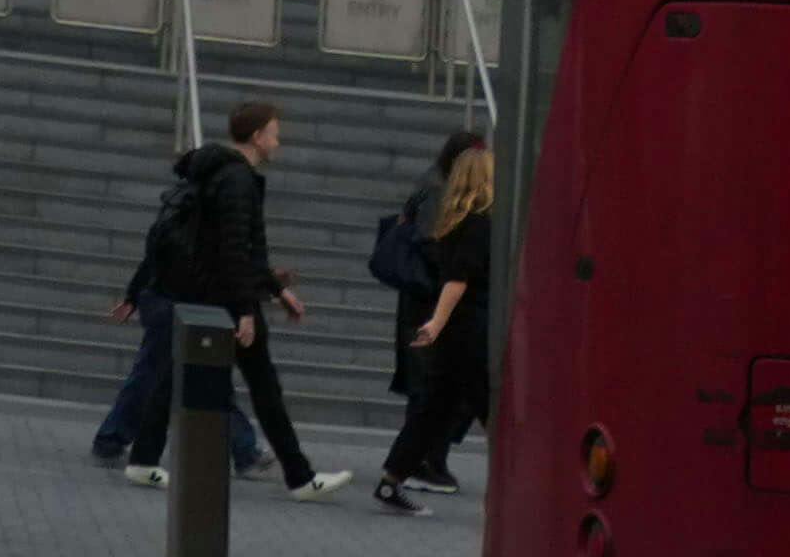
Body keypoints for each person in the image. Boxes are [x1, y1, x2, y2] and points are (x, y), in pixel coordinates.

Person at [90, 101, 331, 495]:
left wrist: (277, 289)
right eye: (273, 132)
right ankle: (299, 477)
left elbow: (232, 247)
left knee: (176, 376)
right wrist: (247, 310)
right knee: (261, 385)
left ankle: (144, 459)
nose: (278, 140)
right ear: (256, 137)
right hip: (223, 298)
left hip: (212, 294)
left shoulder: (218, 173)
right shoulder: (237, 181)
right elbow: (237, 249)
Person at [370, 132, 498, 513]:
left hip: (455, 332)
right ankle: (519, 489)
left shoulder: (454, 221)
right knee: (492, 410)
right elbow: (457, 281)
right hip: (469, 331)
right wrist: (437, 323)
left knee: (433, 410)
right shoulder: (479, 224)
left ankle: (392, 481)